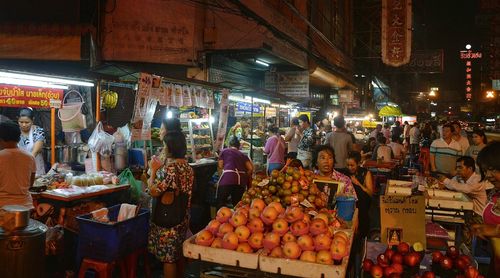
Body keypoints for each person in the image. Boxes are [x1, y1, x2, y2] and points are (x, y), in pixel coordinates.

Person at [147, 129, 193, 278]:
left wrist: (153, 171)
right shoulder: (188, 167)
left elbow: (154, 191)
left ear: (171, 148)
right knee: (176, 252)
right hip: (183, 215)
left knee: (169, 258)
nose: (164, 149)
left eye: (165, 146)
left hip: (169, 219)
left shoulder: (170, 169)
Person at [437, 156, 487, 245]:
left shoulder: (478, 179)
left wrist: (446, 181)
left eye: (460, 167)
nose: (458, 170)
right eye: (457, 168)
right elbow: (448, 185)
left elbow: (466, 189)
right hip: (464, 211)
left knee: (457, 223)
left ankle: (466, 251)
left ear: (470, 168)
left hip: (477, 215)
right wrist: (440, 184)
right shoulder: (459, 178)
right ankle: (449, 244)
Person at [471, 142, 500, 277]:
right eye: (485, 170)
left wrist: (495, 230)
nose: (488, 175)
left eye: (493, 169)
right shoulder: (494, 193)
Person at [0, 121, 37, 209]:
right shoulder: (30, 157)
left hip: (3, 207)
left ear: (0, 139)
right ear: (19, 138)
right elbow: (30, 184)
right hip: (25, 207)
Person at [217, 137, 253, 208]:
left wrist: (220, 178)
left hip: (227, 179)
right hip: (240, 181)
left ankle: (218, 218)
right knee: (237, 205)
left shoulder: (224, 151)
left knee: (220, 203)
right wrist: (245, 176)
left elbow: (220, 166)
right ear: (239, 146)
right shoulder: (242, 155)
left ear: (229, 145)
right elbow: (251, 168)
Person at [346, 151, 374, 238]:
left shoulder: (366, 173)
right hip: (349, 205)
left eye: (352, 165)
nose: (350, 168)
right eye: (348, 165)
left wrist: (358, 184)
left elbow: (370, 193)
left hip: (362, 205)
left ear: (358, 163)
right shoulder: (345, 173)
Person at [17, 108, 45, 177]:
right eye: (21, 122)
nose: (24, 125)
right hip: (18, 167)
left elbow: (36, 151)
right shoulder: (14, 131)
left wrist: (26, 165)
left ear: (33, 120)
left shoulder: (38, 131)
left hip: (36, 167)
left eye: (27, 122)